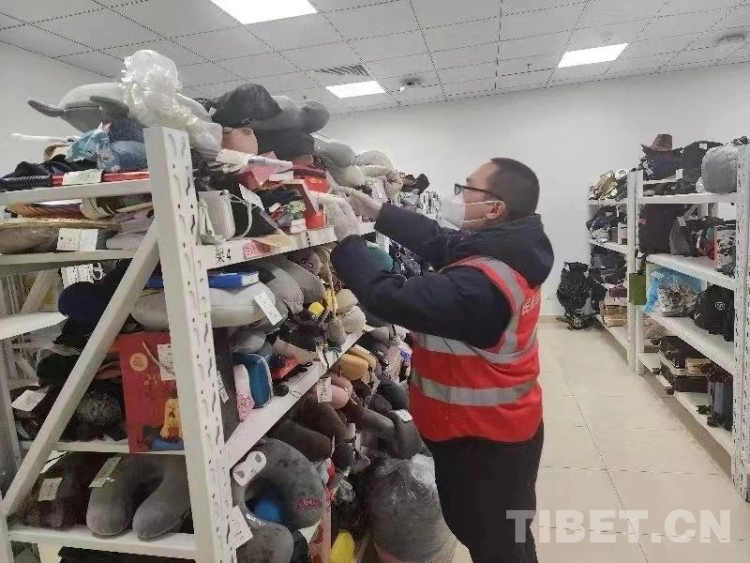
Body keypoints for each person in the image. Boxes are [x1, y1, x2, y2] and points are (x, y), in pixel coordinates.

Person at [330, 158, 553, 563]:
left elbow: (390, 298)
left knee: (496, 545)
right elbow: (439, 240)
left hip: (486, 442)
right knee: (507, 537)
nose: (459, 195)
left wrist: (348, 245)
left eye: (467, 188)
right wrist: (379, 212)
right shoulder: (509, 248)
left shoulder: (481, 285)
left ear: (494, 208)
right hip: (497, 431)